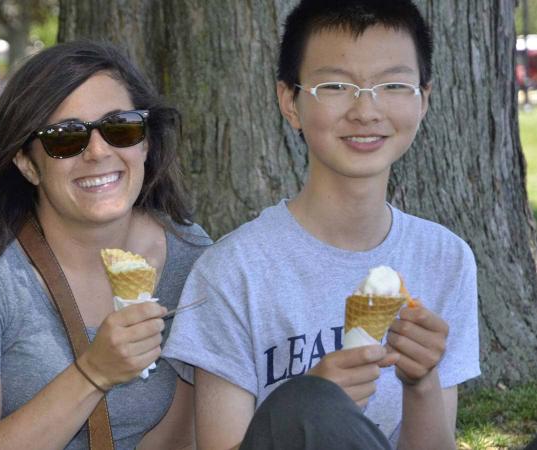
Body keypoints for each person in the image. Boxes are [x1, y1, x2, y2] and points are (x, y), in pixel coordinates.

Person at [163, 0, 480, 448]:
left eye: (393, 84)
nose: (366, 111)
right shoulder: (233, 272)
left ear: (423, 100)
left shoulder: (445, 258)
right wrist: (309, 408)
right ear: (290, 102)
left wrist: (422, 382)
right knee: (310, 405)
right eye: (335, 86)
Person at [0, 41, 211, 449]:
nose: (99, 151)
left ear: (145, 143)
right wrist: (93, 373)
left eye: (120, 127)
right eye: (66, 137)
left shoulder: (191, 256)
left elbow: (185, 431)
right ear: (27, 163)